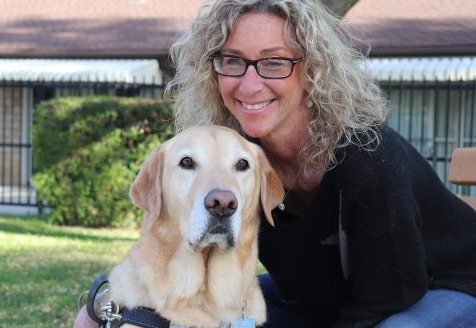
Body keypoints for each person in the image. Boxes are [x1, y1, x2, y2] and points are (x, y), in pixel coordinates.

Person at [75, 0, 476, 327]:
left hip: (444, 288)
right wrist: (111, 303)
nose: (249, 85)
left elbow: (388, 297)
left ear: (313, 71)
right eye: (232, 61)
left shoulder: (368, 160)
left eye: (274, 62)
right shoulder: (238, 156)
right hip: (326, 297)